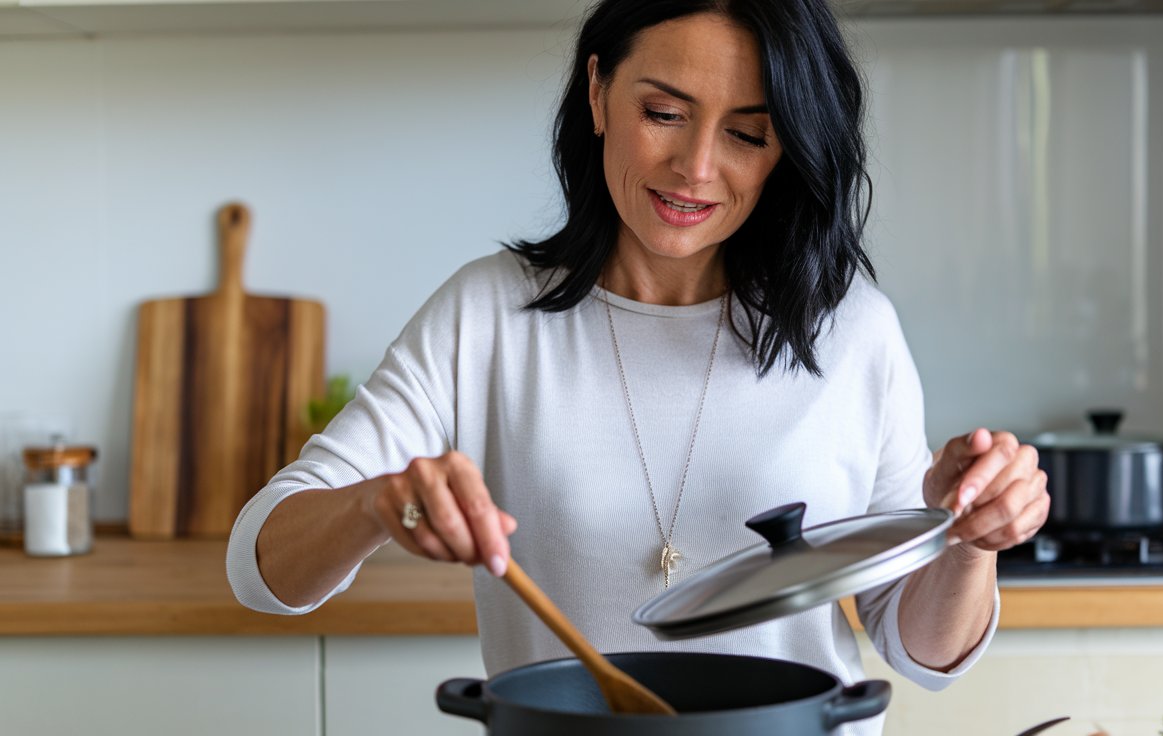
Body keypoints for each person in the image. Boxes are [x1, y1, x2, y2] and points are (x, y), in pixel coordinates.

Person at [227, 0, 1049, 732]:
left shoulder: (850, 331)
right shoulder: (486, 316)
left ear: (785, 149)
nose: (695, 168)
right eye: (664, 112)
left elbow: (921, 652)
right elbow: (262, 569)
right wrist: (379, 501)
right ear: (597, 92)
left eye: (747, 134)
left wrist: (970, 542)